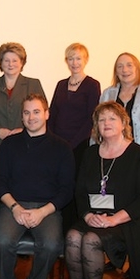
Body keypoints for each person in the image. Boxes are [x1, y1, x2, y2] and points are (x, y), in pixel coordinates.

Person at [65, 102, 140, 279]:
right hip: (94, 215)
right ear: (96, 126)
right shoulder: (90, 153)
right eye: (101, 119)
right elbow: (80, 192)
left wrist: (114, 219)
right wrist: (87, 215)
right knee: (72, 237)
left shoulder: (137, 154)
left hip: (126, 220)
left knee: (90, 240)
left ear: (124, 122)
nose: (106, 123)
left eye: (112, 118)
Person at [0, 94, 75, 279]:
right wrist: (15, 207)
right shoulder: (9, 144)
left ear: (47, 114)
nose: (31, 117)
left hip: (47, 209)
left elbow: (67, 189)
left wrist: (42, 212)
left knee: (51, 244)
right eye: (26, 112)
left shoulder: (62, 147)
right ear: (22, 117)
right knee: (1, 241)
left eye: (36, 111)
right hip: (13, 206)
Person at [0, 42, 45, 215]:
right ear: (0, 63)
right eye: (6, 60)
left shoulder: (33, 84)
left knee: (24, 182)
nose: (10, 64)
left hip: (26, 144)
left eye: (15, 60)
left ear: (22, 62)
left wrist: (23, 130)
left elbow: (42, 112)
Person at [48, 42, 100, 232]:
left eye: (78, 58)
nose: (74, 62)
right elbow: (52, 114)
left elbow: (91, 119)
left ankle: (75, 230)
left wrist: (71, 145)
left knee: (76, 186)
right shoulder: (61, 85)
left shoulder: (92, 85)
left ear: (85, 60)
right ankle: (59, 231)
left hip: (80, 146)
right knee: (60, 186)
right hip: (58, 146)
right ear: (66, 61)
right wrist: (52, 140)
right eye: (71, 58)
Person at [99, 52, 140, 164]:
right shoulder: (107, 94)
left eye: (129, 65)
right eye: (120, 66)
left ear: (137, 69)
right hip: (112, 154)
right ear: (116, 71)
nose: (125, 70)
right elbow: (98, 124)